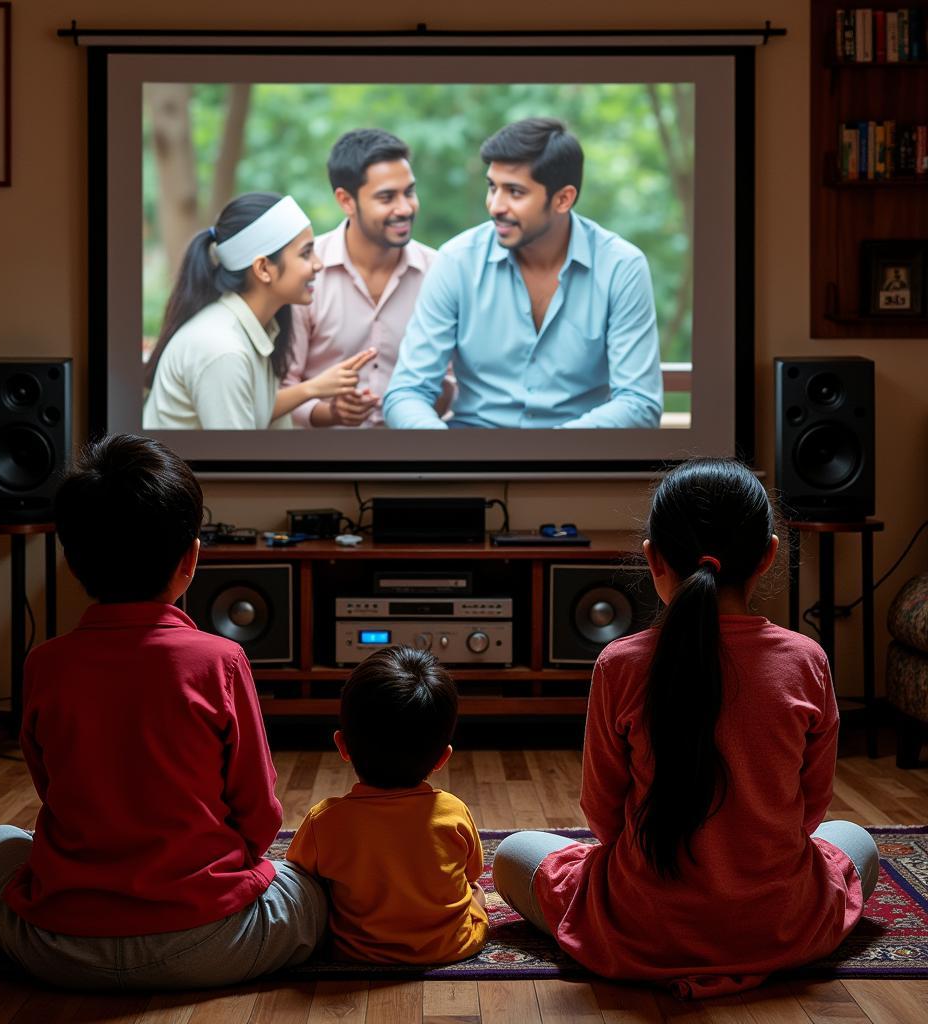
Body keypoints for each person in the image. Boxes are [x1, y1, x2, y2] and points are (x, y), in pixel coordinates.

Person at [0, 434, 327, 989]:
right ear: (191, 559)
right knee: (315, 888)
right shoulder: (222, 660)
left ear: (73, 562)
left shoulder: (44, 664)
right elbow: (259, 814)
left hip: (61, 950)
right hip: (213, 941)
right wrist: (242, 868)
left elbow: (52, 790)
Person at [492, 458, 878, 998]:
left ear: (653, 557)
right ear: (769, 554)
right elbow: (810, 811)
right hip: (780, 930)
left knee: (512, 853)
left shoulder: (619, 664)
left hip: (641, 933)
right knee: (855, 839)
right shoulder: (806, 659)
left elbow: (604, 816)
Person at [383, 117, 663, 430]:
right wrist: (445, 451)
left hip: (578, 463)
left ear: (563, 198)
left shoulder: (621, 268)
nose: (495, 206)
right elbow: (407, 392)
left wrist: (549, 454)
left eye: (515, 192)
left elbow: (640, 403)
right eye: (493, 187)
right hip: (472, 459)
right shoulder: (457, 261)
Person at [285, 646, 489, 963]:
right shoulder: (454, 811)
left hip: (359, 950)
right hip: (453, 945)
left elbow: (300, 877)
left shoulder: (324, 820)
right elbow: (472, 871)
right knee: (475, 892)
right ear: (442, 758)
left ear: (342, 746)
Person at [143, 191, 376, 430]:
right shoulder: (222, 349)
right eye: (306, 253)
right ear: (264, 268)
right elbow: (236, 460)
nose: (319, 264)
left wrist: (315, 391)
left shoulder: (255, 328)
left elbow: (252, 411)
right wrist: (314, 388)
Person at [284, 128, 450, 428]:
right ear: (346, 201)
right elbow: (282, 389)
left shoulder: (439, 271)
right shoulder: (305, 272)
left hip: (414, 459)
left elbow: (453, 381)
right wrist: (329, 413)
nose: (405, 207)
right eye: (387, 197)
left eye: (409, 192)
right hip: (323, 462)